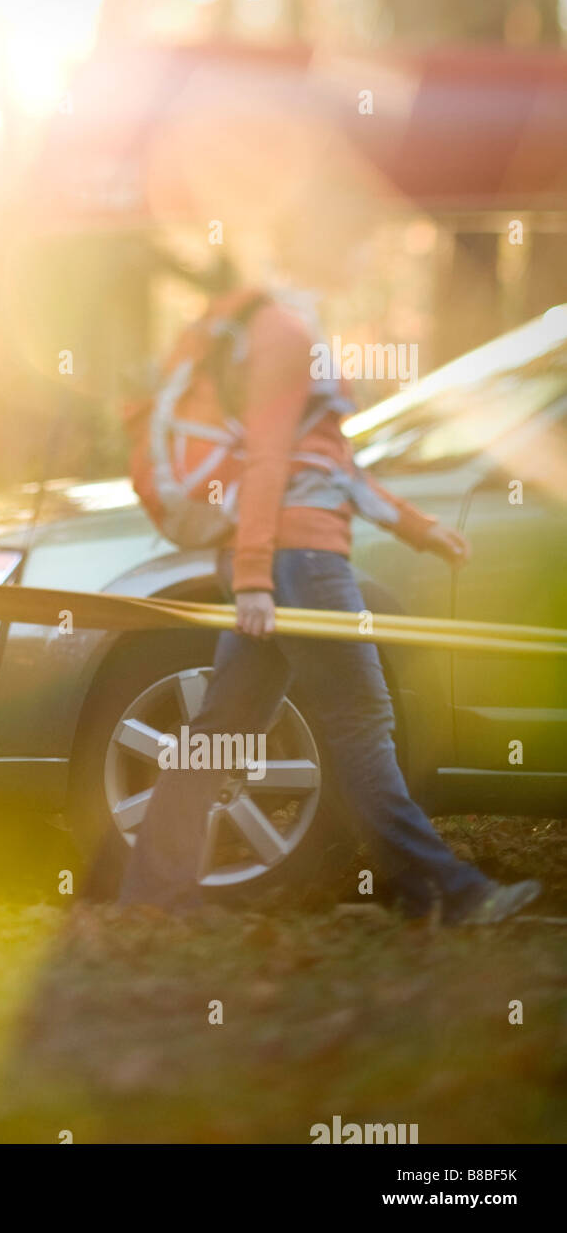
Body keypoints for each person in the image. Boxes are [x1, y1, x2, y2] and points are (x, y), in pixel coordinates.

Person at [118, 287, 542, 925]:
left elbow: (335, 467)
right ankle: (445, 894)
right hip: (302, 561)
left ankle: (150, 897)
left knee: (222, 735)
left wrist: (419, 527)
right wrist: (257, 579)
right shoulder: (284, 334)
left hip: (285, 557)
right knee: (360, 721)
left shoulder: (286, 337)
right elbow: (267, 461)